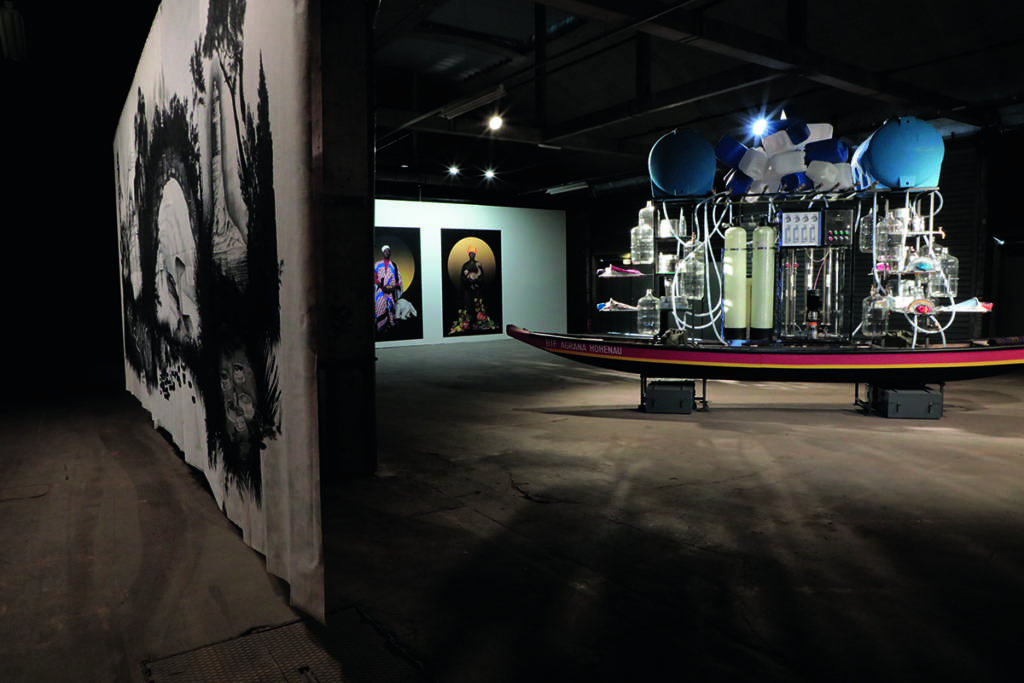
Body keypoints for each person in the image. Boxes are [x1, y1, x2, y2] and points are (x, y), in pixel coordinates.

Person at [374, 245, 403, 332]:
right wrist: (382, 287)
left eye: (388, 251)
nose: (387, 252)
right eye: (385, 251)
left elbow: (397, 280)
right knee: (379, 307)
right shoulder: (377, 264)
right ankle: (380, 327)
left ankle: (390, 326)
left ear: (390, 253)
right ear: (383, 253)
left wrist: (391, 288)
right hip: (380, 290)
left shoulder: (394, 265)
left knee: (391, 309)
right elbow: (375, 278)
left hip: (391, 291)